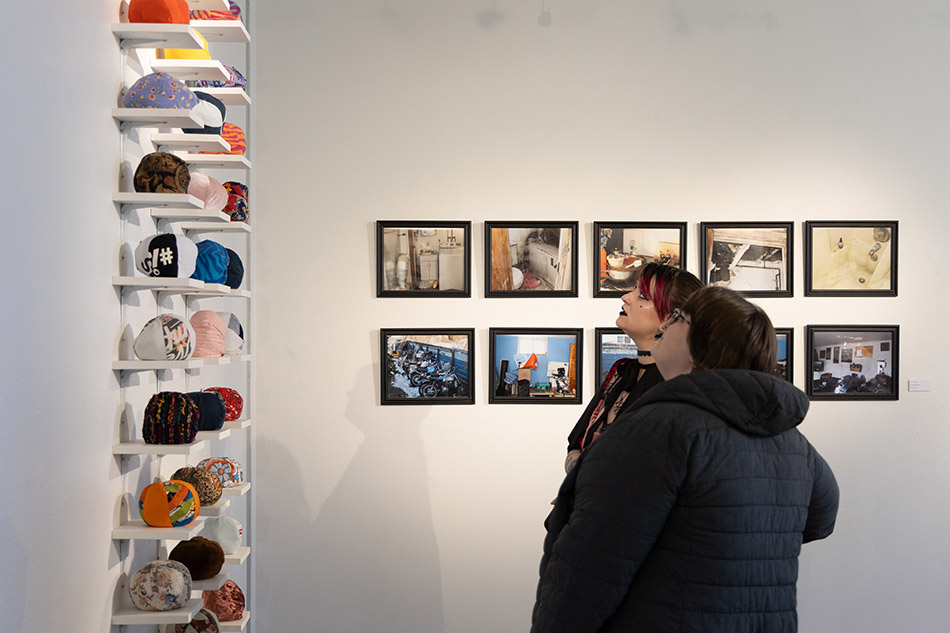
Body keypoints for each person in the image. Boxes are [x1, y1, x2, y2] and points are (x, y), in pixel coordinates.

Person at [533, 286, 839, 633]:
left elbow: (586, 571)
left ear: (700, 346)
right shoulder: (793, 442)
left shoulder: (656, 430)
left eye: (677, 318)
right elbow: (820, 520)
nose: (665, 325)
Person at [565, 263, 702, 473]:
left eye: (643, 296)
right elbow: (575, 446)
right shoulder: (621, 372)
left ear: (668, 318)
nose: (626, 297)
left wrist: (585, 480)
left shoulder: (677, 386)